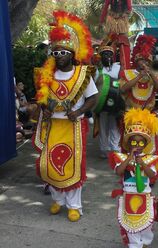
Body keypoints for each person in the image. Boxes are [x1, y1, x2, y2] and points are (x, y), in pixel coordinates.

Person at [33, 11, 98, 222]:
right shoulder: (47, 76)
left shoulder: (82, 74)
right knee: (50, 164)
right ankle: (57, 200)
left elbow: (93, 98)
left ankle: (74, 206)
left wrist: (78, 112)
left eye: (63, 53)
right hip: (52, 126)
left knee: (72, 166)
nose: (59, 56)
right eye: (55, 53)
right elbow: (42, 99)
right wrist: (45, 109)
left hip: (74, 126)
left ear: (71, 54)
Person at [108, 108, 158, 248]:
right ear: (128, 144)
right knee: (131, 224)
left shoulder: (150, 159)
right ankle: (134, 244)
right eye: (134, 143)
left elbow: (152, 175)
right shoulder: (122, 158)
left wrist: (143, 164)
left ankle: (145, 242)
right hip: (128, 195)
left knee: (146, 224)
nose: (137, 146)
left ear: (145, 145)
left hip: (144, 194)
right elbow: (119, 171)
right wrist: (128, 159)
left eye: (140, 143)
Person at [94, 45, 122, 158]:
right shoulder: (97, 69)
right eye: (105, 54)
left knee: (115, 125)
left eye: (110, 54)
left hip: (116, 101)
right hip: (102, 103)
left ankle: (115, 148)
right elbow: (94, 85)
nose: (108, 56)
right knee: (103, 126)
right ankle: (104, 149)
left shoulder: (118, 67)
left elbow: (122, 81)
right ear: (100, 57)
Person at [100, 0, 132, 69]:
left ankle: (116, 68)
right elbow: (105, 8)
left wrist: (101, 21)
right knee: (113, 42)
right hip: (114, 20)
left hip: (120, 20)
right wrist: (102, 21)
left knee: (116, 42)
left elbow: (129, 8)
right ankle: (121, 68)